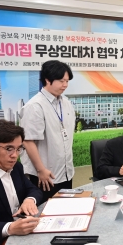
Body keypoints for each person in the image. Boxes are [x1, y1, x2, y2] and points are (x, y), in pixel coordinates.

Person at [20, 60, 76, 202]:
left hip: (66, 172)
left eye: (67, 81)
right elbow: (28, 141)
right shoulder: (35, 106)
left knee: (65, 210)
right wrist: (41, 170)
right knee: (46, 215)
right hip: (45, 176)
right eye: (61, 81)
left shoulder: (66, 103)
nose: (65, 85)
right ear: (47, 80)